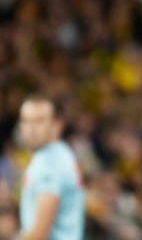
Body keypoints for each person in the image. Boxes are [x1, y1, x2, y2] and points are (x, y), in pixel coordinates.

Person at [17, 95, 85, 240]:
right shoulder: (62, 153)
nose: (31, 128)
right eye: (25, 120)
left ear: (57, 125)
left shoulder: (49, 164)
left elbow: (40, 234)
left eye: (39, 121)